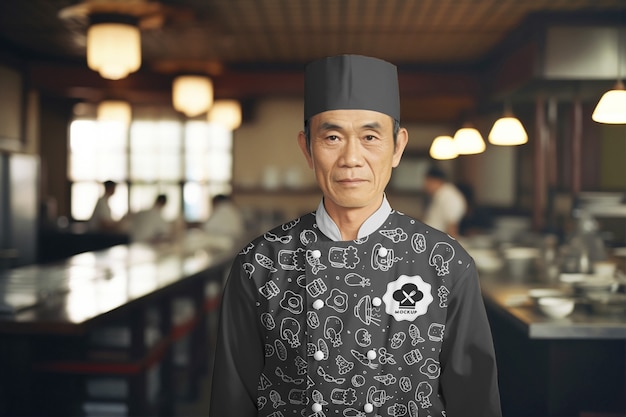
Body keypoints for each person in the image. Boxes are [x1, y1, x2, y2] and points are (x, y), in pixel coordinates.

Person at [209, 55, 501, 417]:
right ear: (307, 148)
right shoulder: (260, 263)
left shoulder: (444, 261)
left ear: (397, 147)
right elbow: (232, 399)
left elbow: (475, 401)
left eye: (370, 137)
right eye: (332, 137)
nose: (351, 158)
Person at [422, 166, 467, 238]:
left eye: (427, 181)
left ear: (435, 181)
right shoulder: (440, 194)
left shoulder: (449, 196)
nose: (424, 185)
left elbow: (452, 225)